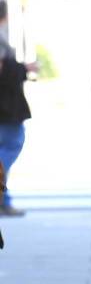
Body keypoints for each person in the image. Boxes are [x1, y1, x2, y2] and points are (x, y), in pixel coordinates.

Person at [0, 31, 35, 217]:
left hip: (7, 108)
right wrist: (23, 69)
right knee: (11, 145)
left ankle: (4, 201)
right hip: (6, 108)